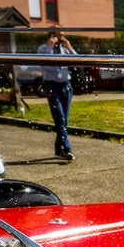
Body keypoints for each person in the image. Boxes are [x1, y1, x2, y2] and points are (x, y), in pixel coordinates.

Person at [37, 29, 77, 160]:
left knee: (64, 120)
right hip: (52, 86)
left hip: (66, 86)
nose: (62, 38)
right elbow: (46, 65)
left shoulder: (65, 49)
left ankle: (58, 148)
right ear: (52, 36)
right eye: (60, 36)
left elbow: (77, 61)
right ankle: (67, 149)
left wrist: (70, 47)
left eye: (64, 36)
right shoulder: (43, 49)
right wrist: (50, 47)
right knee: (60, 119)